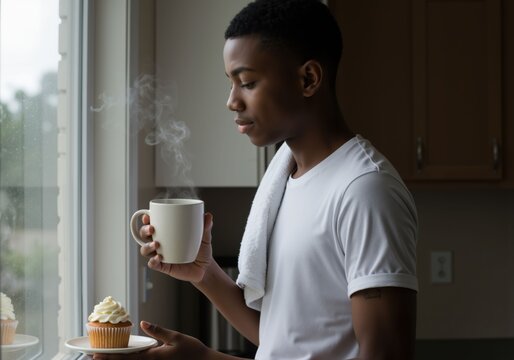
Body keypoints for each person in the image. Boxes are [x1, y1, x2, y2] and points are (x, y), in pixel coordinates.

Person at [93, 0, 418, 359]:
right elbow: (281, 337)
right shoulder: (287, 176)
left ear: (308, 78)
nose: (232, 101)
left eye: (247, 82)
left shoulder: (365, 191)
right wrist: (205, 273)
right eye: (231, 83)